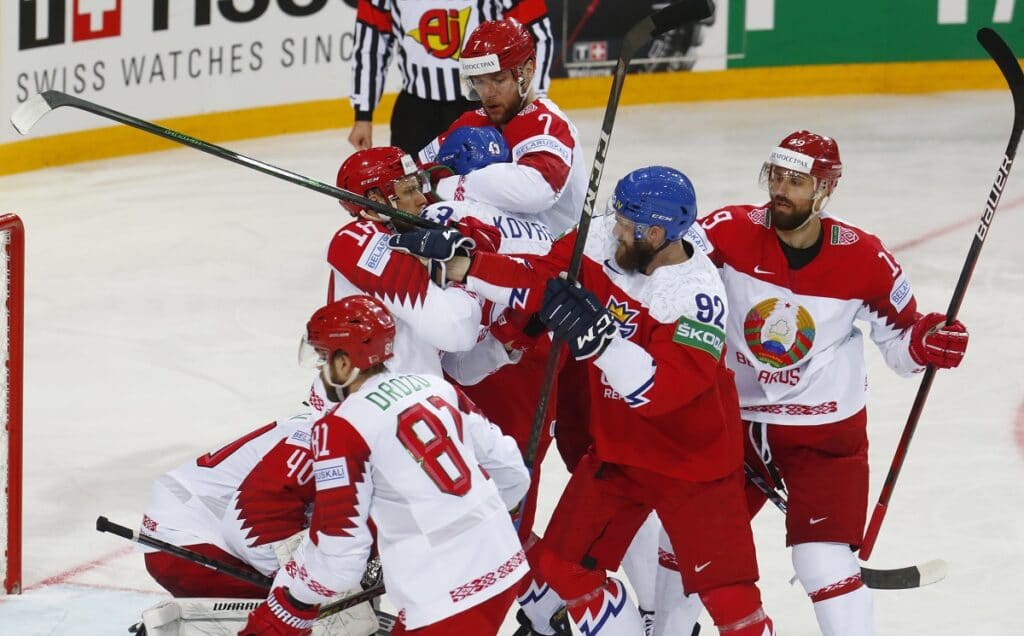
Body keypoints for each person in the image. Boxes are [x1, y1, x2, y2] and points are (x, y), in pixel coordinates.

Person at [389, 166, 776, 635]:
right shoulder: (599, 239)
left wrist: (602, 342)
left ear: (656, 233)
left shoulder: (696, 295)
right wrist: (468, 264)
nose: (613, 228)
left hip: (691, 461)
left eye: (626, 224)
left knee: (731, 601)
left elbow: (662, 394)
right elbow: (540, 280)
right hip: (617, 453)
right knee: (564, 568)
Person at [656, 130, 970, 636]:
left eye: (795, 181)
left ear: (824, 190)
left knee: (821, 563)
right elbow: (662, 271)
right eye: (775, 176)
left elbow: (902, 343)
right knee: (683, 543)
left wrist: (925, 342)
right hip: (732, 423)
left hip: (825, 429)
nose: (780, 189)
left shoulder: (864, 258)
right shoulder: (728, 231)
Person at [239, 295, 531, 635]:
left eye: (323, 358)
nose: (321, 370)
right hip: (503, 565)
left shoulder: (341, 427)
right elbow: (512, 473)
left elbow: (340, 557)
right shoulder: (437, 389)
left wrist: (292, 599)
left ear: (345, 362)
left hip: (445, 593)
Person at [135, 377, 379, 636]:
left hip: (192, 529)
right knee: (318, 615)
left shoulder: (325, 431)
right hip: (191, 541)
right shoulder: (322, 441)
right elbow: (248, 523)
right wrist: (298, 580)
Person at [418, 17, 586, 235]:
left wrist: (452, 187)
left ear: (527, 71)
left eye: (498, 79)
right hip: (496, 249)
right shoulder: (472, 120)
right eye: (479, 81)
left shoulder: (550, 123)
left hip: (554, 255)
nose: (488, 93)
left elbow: (534, 191)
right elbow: (418, 173)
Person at [329, 146, 483, 376]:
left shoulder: (402, 238)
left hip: (411, 395)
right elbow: (457, 332)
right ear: (376, 199)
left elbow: (457, 360)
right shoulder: (358, 242)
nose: (422, 199)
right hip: (385, 401)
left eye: (418, 187)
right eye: (409, 191)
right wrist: (461, 271)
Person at [348, 0, 554, 155]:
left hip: (487, 106)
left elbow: (537, 35)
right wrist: (363, 115)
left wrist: (531, 101)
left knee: (489, 193)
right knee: (412, 196)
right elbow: (371, 46)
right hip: (416, 114)